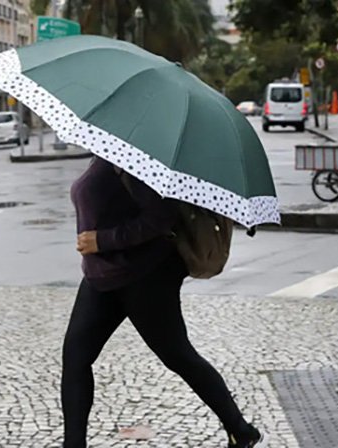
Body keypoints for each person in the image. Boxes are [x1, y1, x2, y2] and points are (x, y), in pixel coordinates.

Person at [63, 156, 268, 448]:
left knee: (178, 356)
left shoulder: (135, 159)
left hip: (144, 277)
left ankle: (241, 429)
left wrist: (103, 240)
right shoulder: (106, 155)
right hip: (101, 277)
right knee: (75, 359)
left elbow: (160, 219)